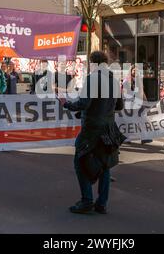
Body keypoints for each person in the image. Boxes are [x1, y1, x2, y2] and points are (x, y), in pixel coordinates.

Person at [61, 51, 124, 215]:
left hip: (92, 130)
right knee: (104, 165)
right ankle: (101, 203)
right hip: (108, 129)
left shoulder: (93, 78)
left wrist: (66, 103)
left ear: (93, 63)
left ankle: (86, 200)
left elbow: (84, 103)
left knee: (79, 161)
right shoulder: (114, 80)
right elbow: (119, 106)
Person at [122, 64, 152, 144]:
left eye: (137, 70)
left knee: (142, 119)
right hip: (129, 103)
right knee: (129, 121)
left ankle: (144, 137)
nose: (135, 72)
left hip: (138, 102)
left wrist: (146, 102)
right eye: (134, 70)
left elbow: (142, 92)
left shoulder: (139, 80)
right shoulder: (126, 81)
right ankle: (126, 138)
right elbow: (124, 93)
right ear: (131, 71)